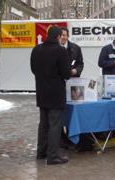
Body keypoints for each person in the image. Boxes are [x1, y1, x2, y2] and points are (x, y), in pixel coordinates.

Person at [30, 26, 71, 165]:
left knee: (43, 124)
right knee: (55, 124)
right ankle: (52, 156)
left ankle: (41, 153)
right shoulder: (61, 50)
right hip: (56, 93)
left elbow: (33, 69)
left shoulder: (36, 49)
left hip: (41, 92)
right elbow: (66, 73)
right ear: (59, 36)